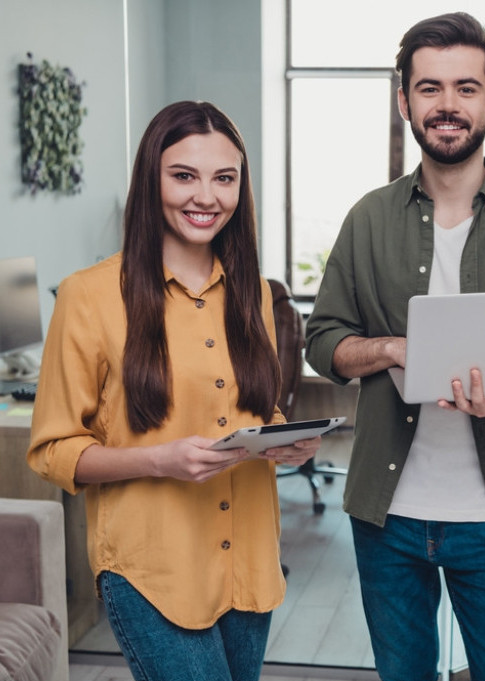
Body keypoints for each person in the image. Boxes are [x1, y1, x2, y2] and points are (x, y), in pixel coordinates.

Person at [303, 12, 485, 681]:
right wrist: (392, 350)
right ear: (405, 101)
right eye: (429, 88)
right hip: (387, 515)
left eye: (465, 87)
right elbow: (323, 340)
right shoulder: (367, 219)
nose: (447, 104)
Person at [27, 100, 321, 681]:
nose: (206, 197)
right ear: (150, 180)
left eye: (224, 178)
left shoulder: (254, 294)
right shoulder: (88, 296)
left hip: (249, 563)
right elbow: (52, 450)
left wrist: (285, 440)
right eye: (184, 176)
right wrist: (158, 460)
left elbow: (258, 408)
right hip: (152, 570)